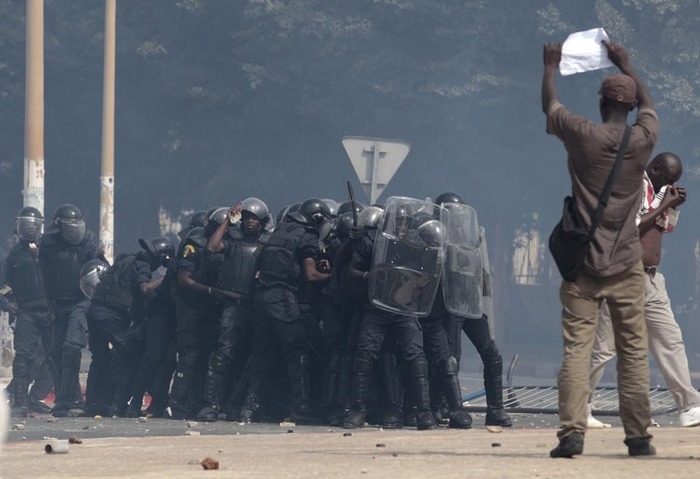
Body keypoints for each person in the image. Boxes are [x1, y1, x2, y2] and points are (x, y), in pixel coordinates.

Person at [542, 40, 660, 457]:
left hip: (584, 266)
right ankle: (638, 437)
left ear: (600, 103)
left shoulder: (583, 135)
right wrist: (626, 62)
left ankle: (572, 432)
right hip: (627, 263)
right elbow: (650, 107)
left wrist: (551, 68)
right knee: (633, 352)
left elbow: (550, 106)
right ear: (628, 108)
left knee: (577, 349)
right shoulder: (642, 141)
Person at [588, 152, 700, 428]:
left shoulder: (659, 191)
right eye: (668, 178)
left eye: (673, 182)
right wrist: (667, 204)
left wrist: (674, 206)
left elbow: (665, 228)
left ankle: (689, 407)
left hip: (651, 279)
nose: (669, 184)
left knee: (670, 339)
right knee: (604, 348)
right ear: (656, 167)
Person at [238, 198, 332, 424]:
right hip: (282, 297)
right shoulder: (307, 236)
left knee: (263, 352)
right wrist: (332, 277)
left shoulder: (280, 231)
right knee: (297, 351)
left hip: (262, 296)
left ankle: (248, 409)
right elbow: (310, 275)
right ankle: (301, 408)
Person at [435, 192, 512, 427]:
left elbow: (483, 271)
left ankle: (496, 410)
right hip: (448, 306)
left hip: (470, 303)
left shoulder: (474, 235)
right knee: (450, 359)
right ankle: (447, 408)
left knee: (493, 356)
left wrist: (486, 305)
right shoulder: (435, 235)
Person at [195, 198, 271, 422]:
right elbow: (211, 246)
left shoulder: (267, 244)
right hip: (232, 305)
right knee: (222, 356)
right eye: (247, 218)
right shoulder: (232, 242)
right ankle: (210, 404)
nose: (250, 222)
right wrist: (228, 220)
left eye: (254, 219)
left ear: (262, 222)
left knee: (252, 358)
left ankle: (245, 406)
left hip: (255, 307)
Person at [84, 237, 173, 417]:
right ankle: (119, 405)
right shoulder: (143, 265)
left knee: (100, 358)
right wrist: (166, 277)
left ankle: (93, 404)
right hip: (110, 314)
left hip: (95, 310)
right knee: (130, 354)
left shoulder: (125, 258)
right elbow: (145, 289)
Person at [39, 204, 106, 417]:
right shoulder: (48, 246)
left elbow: (101, 273)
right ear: (58, 225)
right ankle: (66, 397)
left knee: (71, 347)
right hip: (58, 304)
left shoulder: (88, 246)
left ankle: (68, 401)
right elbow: (45, 278)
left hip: (81, 301)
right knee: (56, 353)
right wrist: (49, 307)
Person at [2, 207, 52, 417]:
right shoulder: (13, 257)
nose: (29, 230)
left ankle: (35, 397)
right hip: (26, 311)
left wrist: (43, 257)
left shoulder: (49, 251)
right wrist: (8, 304)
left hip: (50, 310)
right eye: (25, 225)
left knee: (52, 355)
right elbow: (4, 287)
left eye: (33, 225)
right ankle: (19, 402)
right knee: (23, 357)